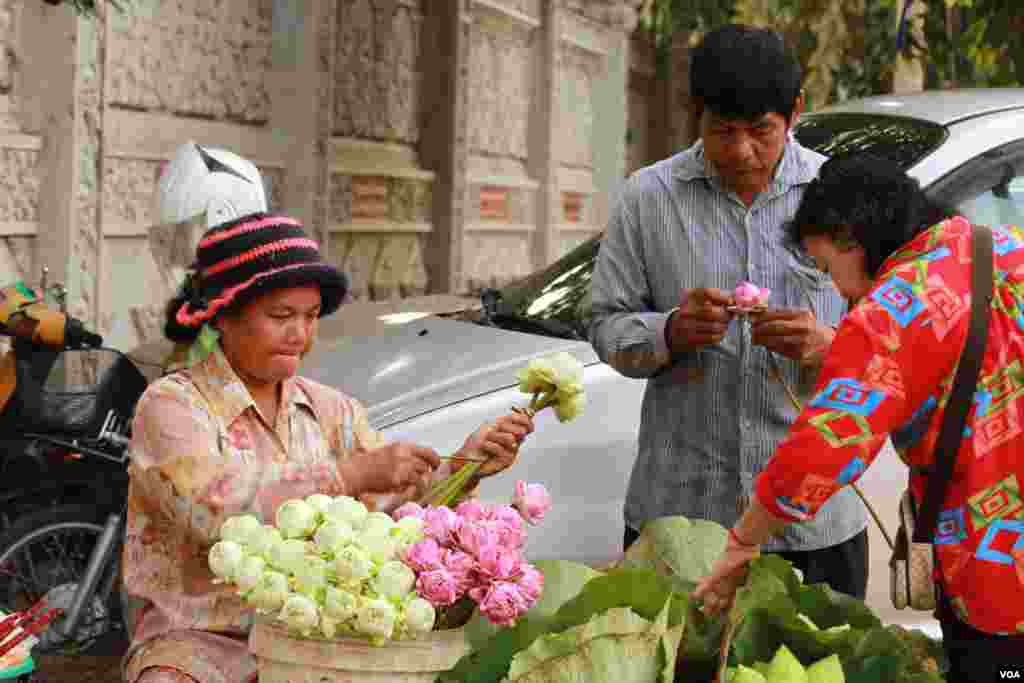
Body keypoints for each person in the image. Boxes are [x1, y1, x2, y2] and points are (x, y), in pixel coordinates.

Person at [120, 213, 535, 683]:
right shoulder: (172, 406)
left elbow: (395, 521)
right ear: (223, 315)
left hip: (321, 641)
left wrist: (466, 466)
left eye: (311, 316)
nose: (300, 333)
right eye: (281, 316)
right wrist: (349, 476)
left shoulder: (333, 410)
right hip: (199, 645)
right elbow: (212, 511)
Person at [694, 153, 1024, 682]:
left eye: (827, 269)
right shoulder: (1004, 249)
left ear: (851, 237)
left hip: (997, 579)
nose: (842, 291)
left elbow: (823, 447)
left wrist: (744, 540)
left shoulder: (893, 306)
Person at [588, 23, 868, 598]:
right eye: (723, 131)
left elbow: (899, 345)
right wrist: (669, 330)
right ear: (696, 114)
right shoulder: (648, 198)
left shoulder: (842, 195)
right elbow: (605, 325)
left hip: (812, 524)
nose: (742, 151)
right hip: (680, 520)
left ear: (794, 111)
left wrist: (828, 345)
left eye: (761, 131)